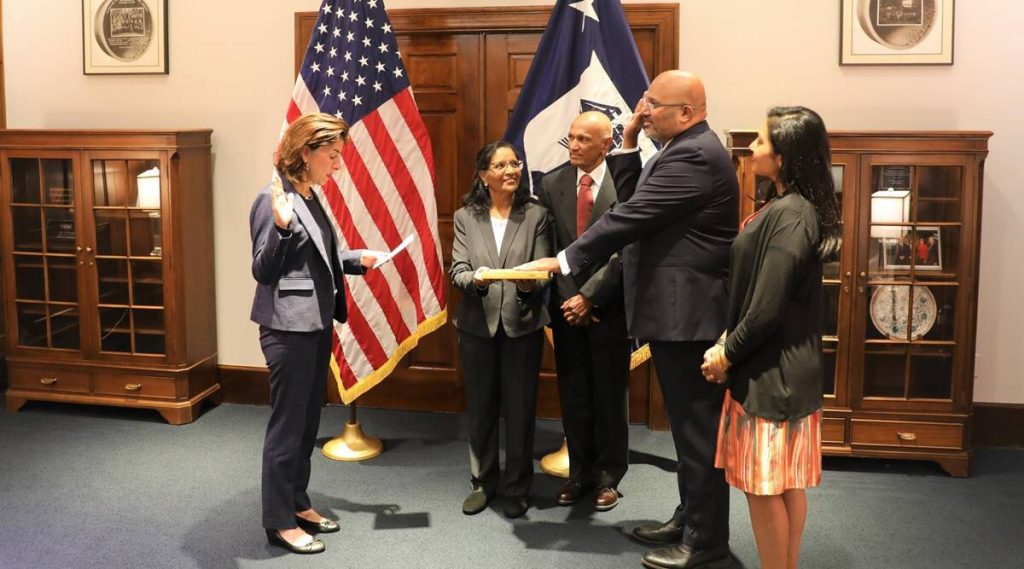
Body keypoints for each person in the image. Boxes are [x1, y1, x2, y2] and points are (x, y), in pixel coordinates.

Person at [518, 70, 738, 569]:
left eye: (652, 104)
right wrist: (632, 140)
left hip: (688, 315)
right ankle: (689, 518)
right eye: (643, 101)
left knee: (698, 432)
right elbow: (636, 197)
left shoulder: (696, 156)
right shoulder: (680, 149)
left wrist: (565, 260)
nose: (641, 109)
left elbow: (631, 215)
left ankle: (706, 543)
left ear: (687, 113)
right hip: (674, 313)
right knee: (687, 431)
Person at [701, 106, 842, 569]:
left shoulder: (791, 216)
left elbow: (765, 310)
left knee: (766, 489)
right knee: (784, 484)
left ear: (783, 156)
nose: (752, 148)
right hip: (780, 369)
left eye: (760, 141)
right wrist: (727, 339)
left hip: (772, 375)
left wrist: (725, 352)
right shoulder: (787, 208)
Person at [249, 113, 378, 554]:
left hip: (316, 324)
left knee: (306, 426)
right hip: (287, 330)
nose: (338, 164)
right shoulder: (273, 200)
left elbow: (323, 256)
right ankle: (279, 520)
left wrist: (357, 259)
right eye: (333, 154)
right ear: (306, 152)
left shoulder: (311, 195)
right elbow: (263, 269)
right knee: (287, 427)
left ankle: (298, 502)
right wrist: (282, 228)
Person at [535, 111, 631, 512]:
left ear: (606, 144)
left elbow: (628, 248)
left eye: (584, 140)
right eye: (571, 138)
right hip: (566, 310)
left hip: (608, 307)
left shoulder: (626, 183)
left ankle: (608, 478)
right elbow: (550, 250)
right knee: (573, 396)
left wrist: (590, 296)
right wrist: (569, 298)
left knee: (609, 397)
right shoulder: (552, 182)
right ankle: (579, 474)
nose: (573, 146)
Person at [450, 141, 552, 519]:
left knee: (521, 410)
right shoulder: (465, 217)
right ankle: (483, 482)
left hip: (522, 326)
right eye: (501, 165)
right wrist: (474, 281)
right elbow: (458, 268)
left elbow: (542, 270)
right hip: (477, 326)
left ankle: (516, 486)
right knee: (480, 409)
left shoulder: (536, 215)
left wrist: (529, 285)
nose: (511, 170)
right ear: (483, 176)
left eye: (515, 163)